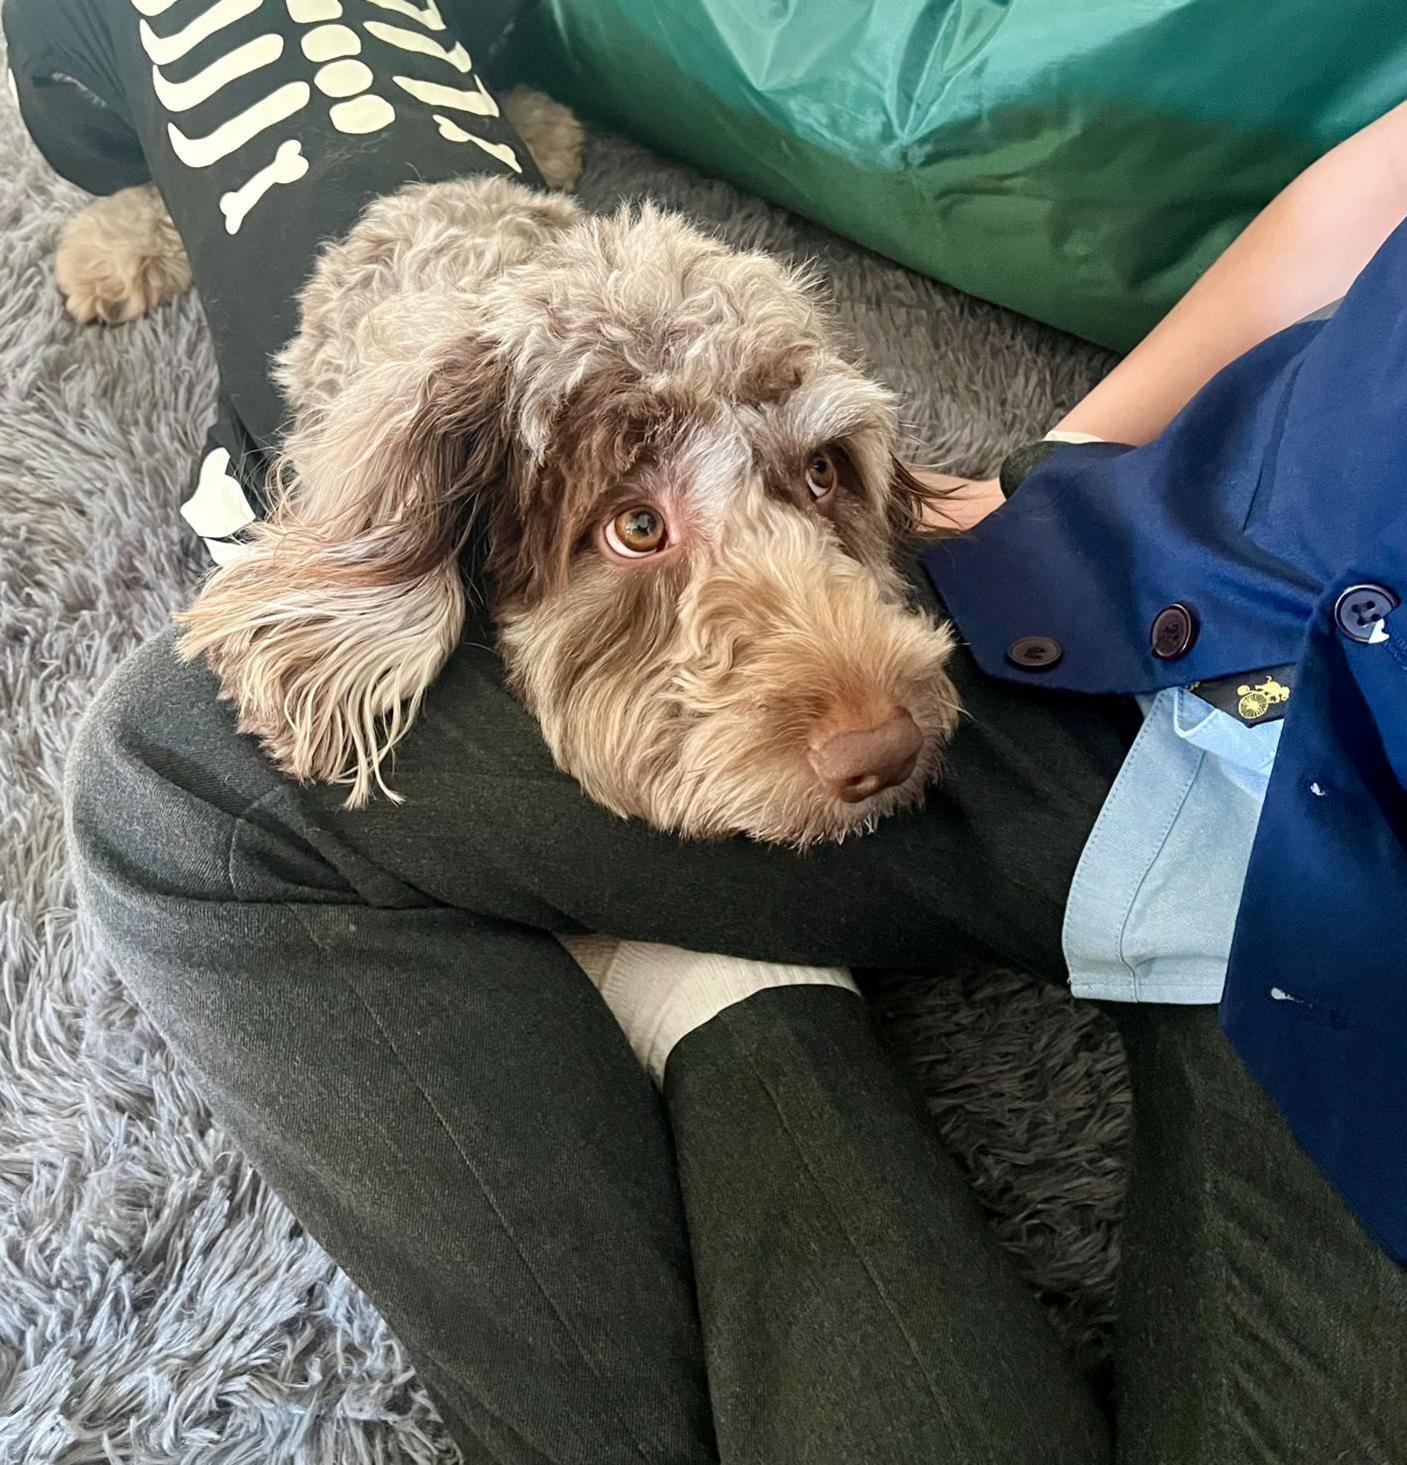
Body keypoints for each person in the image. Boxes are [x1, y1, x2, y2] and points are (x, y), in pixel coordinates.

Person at [10, 0, 1404, 1457]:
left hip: (1363, 835)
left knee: (190, 790)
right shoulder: (397, 443)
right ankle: (718, 969)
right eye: (638, 523)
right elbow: (303, 604)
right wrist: (1050, 469)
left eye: (818, 481)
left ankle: (697, 961)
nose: (873, 718)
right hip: (1211, 617)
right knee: (197, 752)